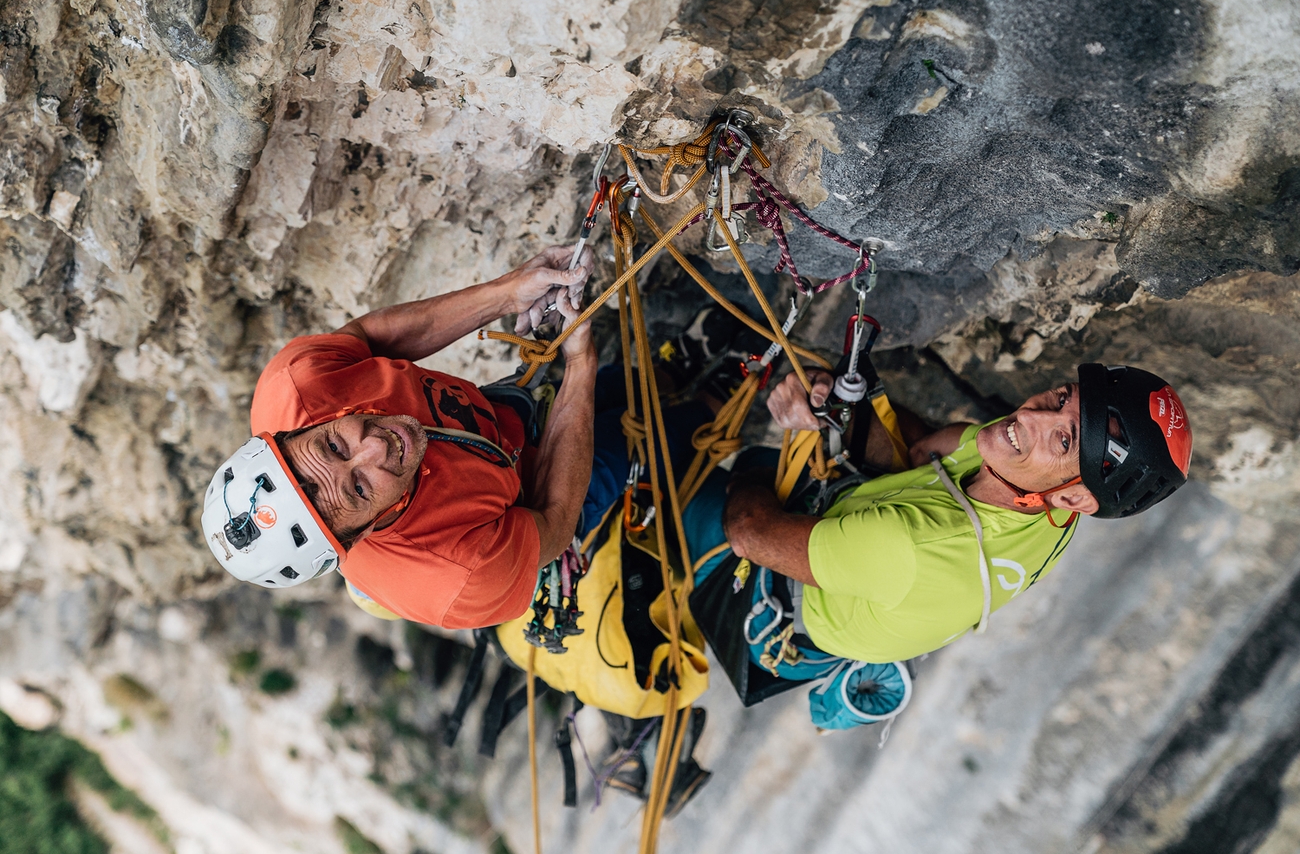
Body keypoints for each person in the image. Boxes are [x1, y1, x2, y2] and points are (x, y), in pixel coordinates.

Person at [684, 361, 1193, 696]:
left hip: (789, 601)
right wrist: (836, 404)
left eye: (1064, 440)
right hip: (864, 544)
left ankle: (687, 406)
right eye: (1063, 398)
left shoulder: (917, 546)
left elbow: (750, 532)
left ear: (1073, 498)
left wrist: (754, 466)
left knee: (682, 480)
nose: (1033, 415)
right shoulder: (1031, 481)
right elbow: (925, 450)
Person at [200, 245, 599, 628]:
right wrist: (581, 364)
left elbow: (368, 339)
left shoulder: (297, 385)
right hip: (536, 495)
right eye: (358, 488)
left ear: (297, 429)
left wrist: (508, 292)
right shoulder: (458, 576)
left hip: (497, 422)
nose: (375, 447)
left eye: (334, 445)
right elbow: (555, 519)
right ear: (362, 535)